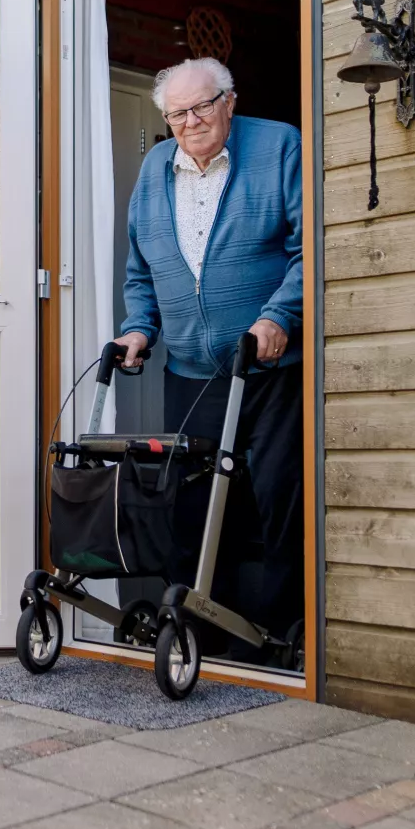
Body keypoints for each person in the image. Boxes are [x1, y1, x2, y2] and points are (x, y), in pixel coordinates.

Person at [116, 57, 302, 655]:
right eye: (176, 113)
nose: (190, 122)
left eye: (201, 106)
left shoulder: (277, 147)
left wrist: (279, 315)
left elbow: (311, 248)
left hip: (270, 369)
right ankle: (202, 633)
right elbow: (141, 270)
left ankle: (278, 635)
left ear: (230, 100)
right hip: (191, 371)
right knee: (192, 505)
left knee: (279, 499)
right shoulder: (154, 170)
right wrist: (138, 329)